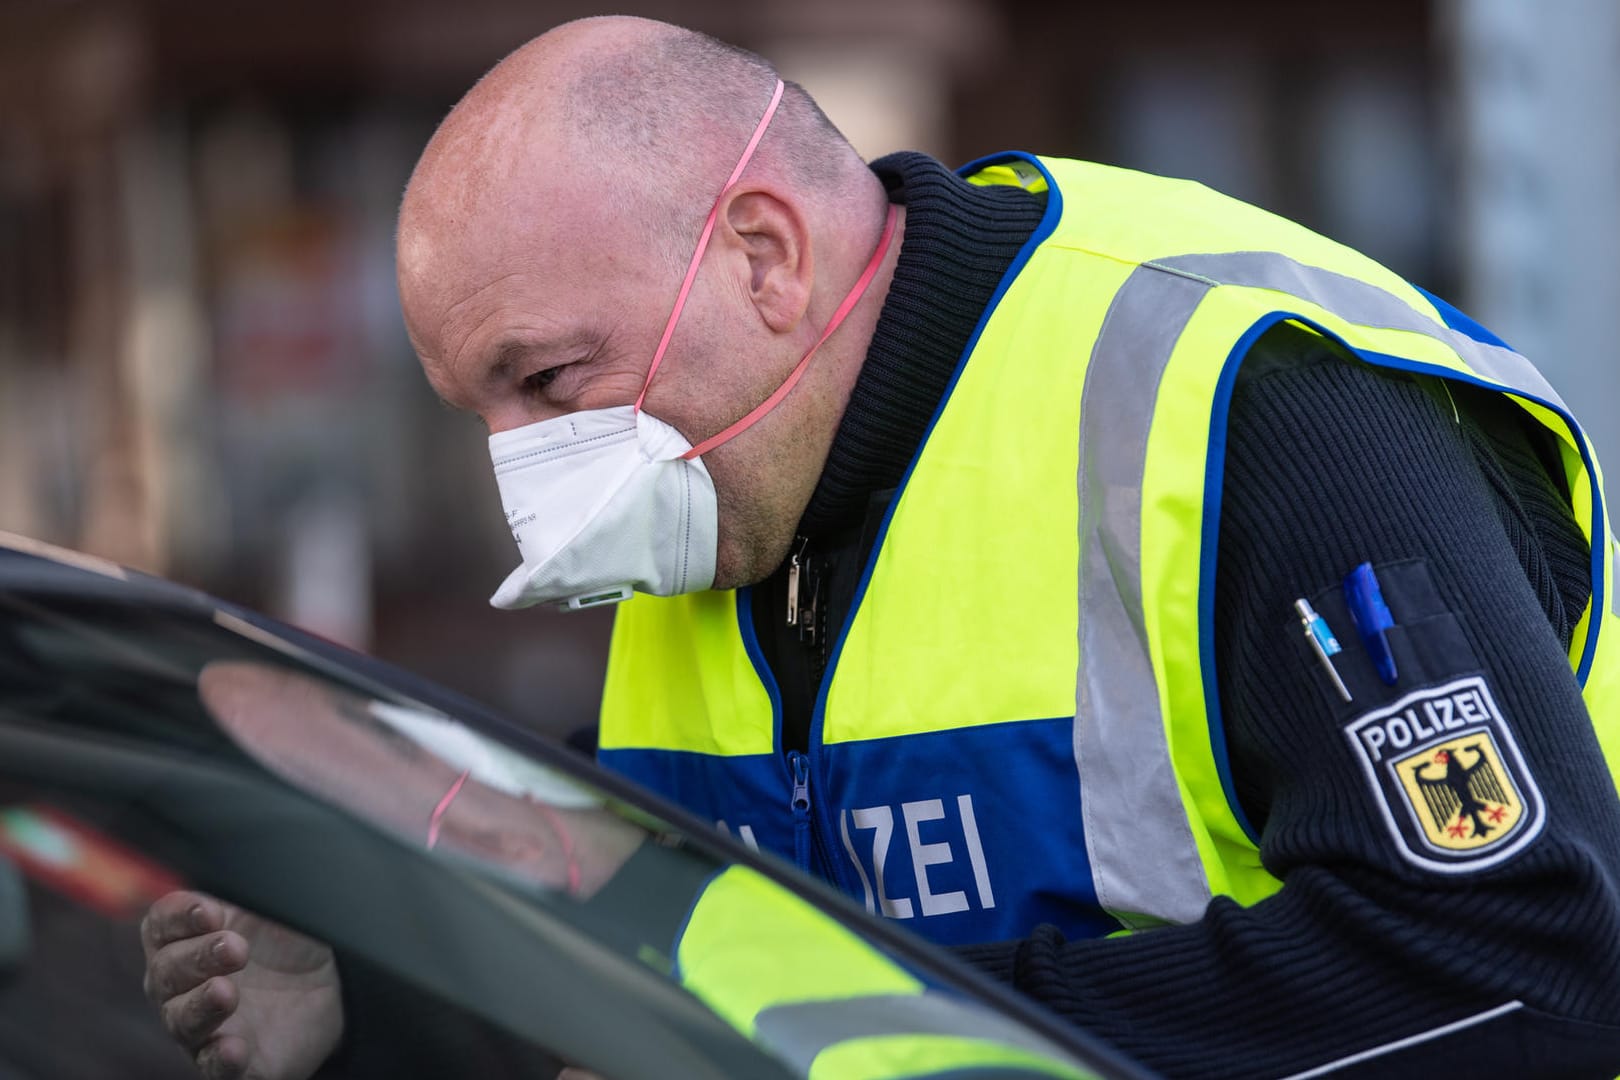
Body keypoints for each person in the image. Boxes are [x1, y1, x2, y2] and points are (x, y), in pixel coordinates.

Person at [144, 14, 1620, 1079]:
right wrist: (370, 1001)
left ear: (765, 258)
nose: (525, 464)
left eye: (548, 380)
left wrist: (850, 1052)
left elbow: (1517, 970)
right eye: (482, 410)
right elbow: (670, 966)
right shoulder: (726, 500)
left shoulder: (1250, 407)